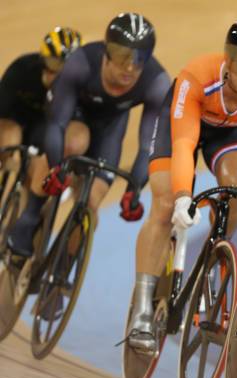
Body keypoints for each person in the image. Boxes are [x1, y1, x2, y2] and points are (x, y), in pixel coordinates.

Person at [127, 18, 237, 352]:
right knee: (166, 205)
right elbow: (184, 144)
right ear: (228, 60)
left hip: (229, 134)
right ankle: (141, 307)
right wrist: (184, 195)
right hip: (180, 125)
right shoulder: (198, 76)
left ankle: (215, 248)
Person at [7, 12, 171, 319]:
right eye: (123, 57)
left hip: (110, 131)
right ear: (107, 52)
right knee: (74, 143)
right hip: (73, 119)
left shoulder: (156, 81)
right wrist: (56, 168)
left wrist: (135, 189)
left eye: (140, 59)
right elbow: (56, 123)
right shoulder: (82, 62)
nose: (130, 67)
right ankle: (29, 218)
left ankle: (61, 275)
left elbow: (150, 143)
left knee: (92, 205)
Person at [0, 27, 82, 169]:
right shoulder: (22, 70)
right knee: (10, 133)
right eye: (52, 63)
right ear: (42, 59)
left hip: (43, 128)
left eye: (67, 68)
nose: (56, 72)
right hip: (15, 120)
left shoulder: (78, 84)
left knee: (38, 166)